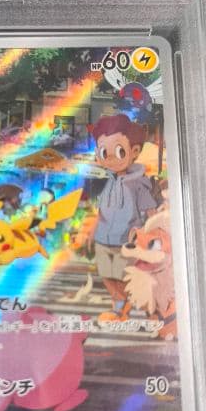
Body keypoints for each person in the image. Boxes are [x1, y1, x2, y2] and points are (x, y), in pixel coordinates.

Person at [89, 113, 158, 322]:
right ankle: (119, 305)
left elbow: (150, 212)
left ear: (134, 151)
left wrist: (152, 237)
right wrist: (91, 232)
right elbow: (101, 210)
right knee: (105, 274)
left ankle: (126, 308)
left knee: (123, 275)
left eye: (119, 151)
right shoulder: (107, 181)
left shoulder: (139, 183)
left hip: (126, 240)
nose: (109, 158)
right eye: (104, 152)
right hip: (102, 238)